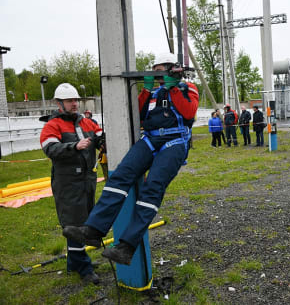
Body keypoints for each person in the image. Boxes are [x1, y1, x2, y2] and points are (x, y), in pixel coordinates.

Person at [63, 53, 199, 265]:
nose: (156, 76)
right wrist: (144, 90)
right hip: (151, 138)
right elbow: (137, 113)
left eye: (159, 71)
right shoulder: (153, 93)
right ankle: (94, 230)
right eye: (153, 71)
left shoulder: (186, 88)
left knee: (152, 186)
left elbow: (188, 113)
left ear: (171, 69)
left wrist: (173, 87)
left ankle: (127, 246)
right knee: (120, 177)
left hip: (175, 140)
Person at [40, 83, 104, 284]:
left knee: (84, 222)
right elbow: (50, 149)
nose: (75, 104)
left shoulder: (86, 122)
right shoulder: (53, 125)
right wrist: (74, 146)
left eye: (76, 100)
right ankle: (83, 269)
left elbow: (100, 135)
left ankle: (73, 264)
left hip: (87, 180)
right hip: (68, 182)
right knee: (74, 224)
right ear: (59, 104)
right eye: (70, 101)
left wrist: (104, 142)